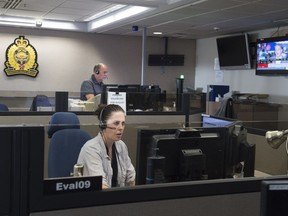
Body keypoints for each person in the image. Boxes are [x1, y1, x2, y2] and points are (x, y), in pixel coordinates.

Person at [77, 104, 136, 189]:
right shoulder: (91, 149)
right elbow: (101, 186)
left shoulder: (121, 146)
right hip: (95, 199)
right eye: (116, 123)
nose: (120, 128)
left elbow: (131, 177)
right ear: (103, 124)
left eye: (123, 123)